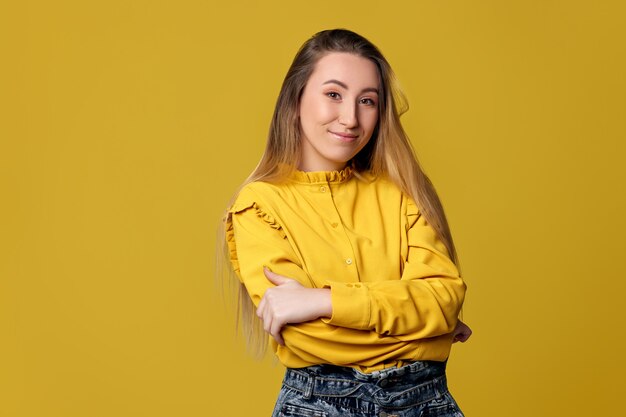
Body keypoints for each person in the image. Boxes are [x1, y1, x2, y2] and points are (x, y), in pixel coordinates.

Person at [218, 28, 472, 417]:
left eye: (367, 101)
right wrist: (421, 329)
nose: (351, 118)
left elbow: (444, 300)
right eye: (333, 94)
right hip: (319, 405)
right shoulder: (258, 205)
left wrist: (324, 300)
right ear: (296, 98)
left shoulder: (403, 190)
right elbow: (307, 337)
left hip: (425, 403)